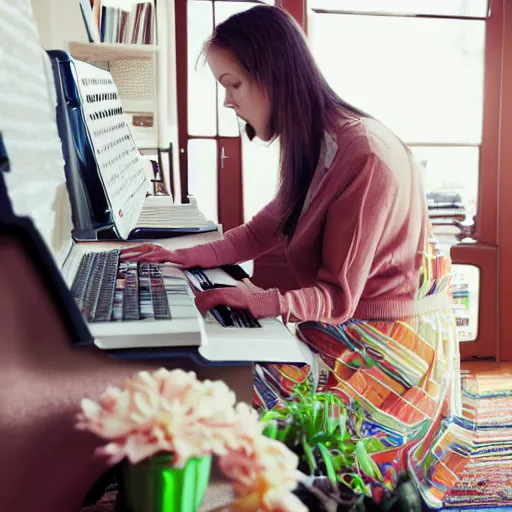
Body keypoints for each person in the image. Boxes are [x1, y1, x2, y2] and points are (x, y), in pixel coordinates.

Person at [124, 5, 460, 505]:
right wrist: (187, 257)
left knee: (232, 401)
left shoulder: (363, 154)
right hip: (349, 321)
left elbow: (337, 297)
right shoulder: (314, 140)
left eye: (233, 85)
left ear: (272, 77)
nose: (228, 102)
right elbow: (264, 228)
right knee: (213, 384)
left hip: (385, 344)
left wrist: (257, 300)